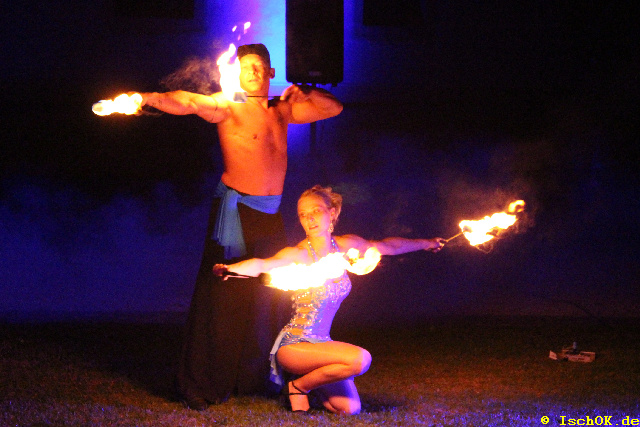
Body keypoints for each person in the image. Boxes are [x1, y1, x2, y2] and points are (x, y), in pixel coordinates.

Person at [137, 44, 343, 410]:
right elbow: (188, 101)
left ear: (270, 72)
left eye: (259, 67)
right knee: (223, 295)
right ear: (237, 72)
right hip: (236, 214)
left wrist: (303, 90)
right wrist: (146, 98)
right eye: (246, 67)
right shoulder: (228, 105)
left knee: (268, 295)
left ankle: (256, 379)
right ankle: (203, 383)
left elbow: (333, 107)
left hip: (270, 214)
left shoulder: (282, 109)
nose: (252, 73)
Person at [214, 185, 445, 414]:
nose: (310, 219)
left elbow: (388, 246)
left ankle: (309, 383)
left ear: (331, 213)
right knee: (361, 359)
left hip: (323, 344)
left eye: (316, 211)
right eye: (303, 214)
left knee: (349, 408)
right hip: (295, 346)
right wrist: (230, 268)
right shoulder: (299, 254)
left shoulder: (346, 247)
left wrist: (428, 243)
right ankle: (298, 387)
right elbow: (261, 265)